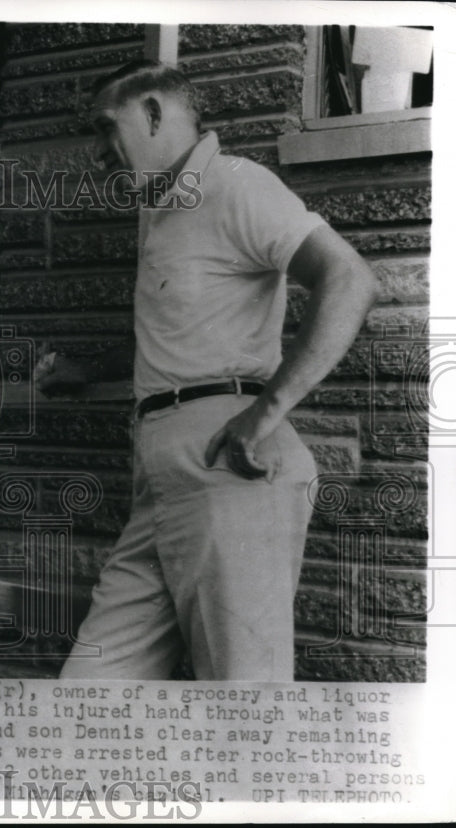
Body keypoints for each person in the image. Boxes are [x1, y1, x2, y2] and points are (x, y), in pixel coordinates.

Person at [39, 61, 379, 681]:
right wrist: (83, 368)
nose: (98, 151)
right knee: (89, 692)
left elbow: (349, 277)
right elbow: (173, 334)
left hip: (228, 470)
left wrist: (266, 413)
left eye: (106, 127)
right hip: (161, 480)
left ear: (152, 113)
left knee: (243, 699)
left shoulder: (235, 183)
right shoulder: (163, 211)